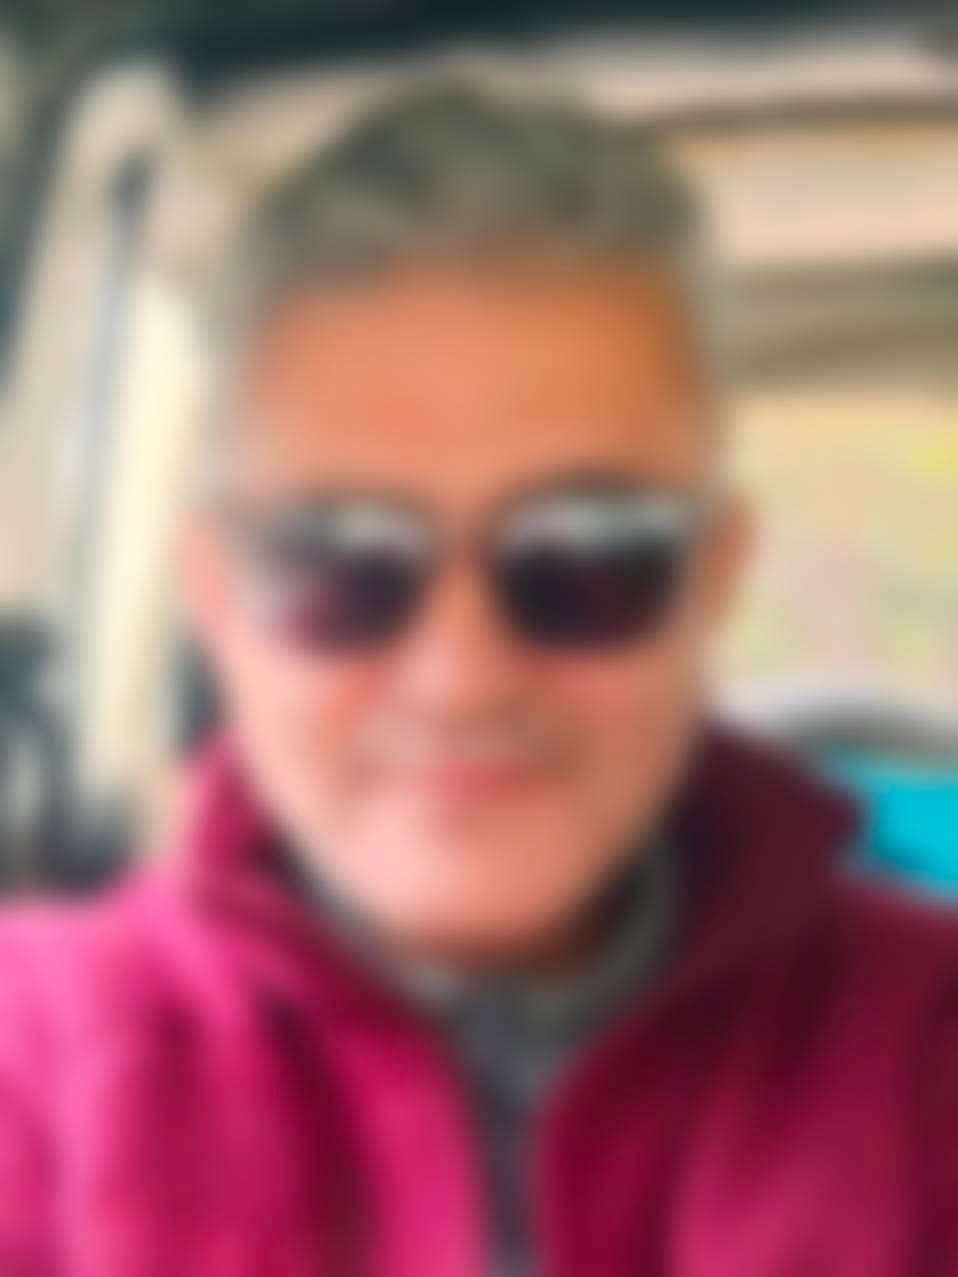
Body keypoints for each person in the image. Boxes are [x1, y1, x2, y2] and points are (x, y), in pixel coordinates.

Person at [1, 83, 956, 1277]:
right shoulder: (35, 1067)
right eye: (340, 560)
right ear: (217, 597)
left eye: (588, 555)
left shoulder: (928, 1052)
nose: (459, 676)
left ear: (711, 579)